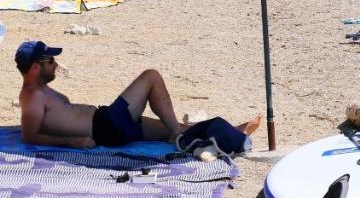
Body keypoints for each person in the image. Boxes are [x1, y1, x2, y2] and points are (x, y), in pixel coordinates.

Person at [17, 41, 261, 148]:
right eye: (50, 61)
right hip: (106, 126)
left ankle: (234, 134)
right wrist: (72, 142)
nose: (55, 64)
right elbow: (30, 136)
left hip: (108, 123)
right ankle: (180, 134)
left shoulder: (40, 90)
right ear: (36, 67)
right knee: (151, 76)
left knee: (171, 127)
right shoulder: (33, 96)